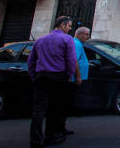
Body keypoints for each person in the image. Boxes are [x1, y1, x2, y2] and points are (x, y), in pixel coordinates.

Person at [27, 16, 77, 148]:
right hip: (58, 77)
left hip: (41, 77)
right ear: (62, 25)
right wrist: (68, 75)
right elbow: (71, 60)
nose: (70, 29)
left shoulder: (40, 40)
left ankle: (35, 140)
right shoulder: (67, 39)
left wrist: (34, 76)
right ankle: (51, 137)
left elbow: (31, 61)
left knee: (38, 110)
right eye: (69, 26)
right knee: (55, 109)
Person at [60, 26, 90, 136]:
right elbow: (74, 60)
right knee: (65, 104)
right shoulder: (76, 44)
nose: (88, 37)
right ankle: (60, 128)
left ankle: (61, 127)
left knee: (66, 104)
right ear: (80, 34)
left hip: (73, 78)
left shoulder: (76, 43)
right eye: (86, 34)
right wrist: (77, 76)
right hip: (72, 79)